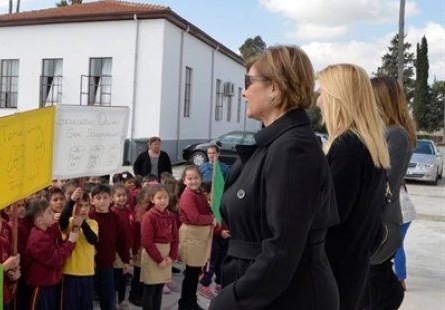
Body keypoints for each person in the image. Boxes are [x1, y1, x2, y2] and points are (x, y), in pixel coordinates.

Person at [210, 46, 339, 309]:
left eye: (249, 82)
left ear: (275, 88)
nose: (244, 92)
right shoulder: (278, 143)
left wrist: (234, 299)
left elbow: (283, 247)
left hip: (286, 297)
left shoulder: (293, 149)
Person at [317, 63, 391, 310]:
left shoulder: (347, 147)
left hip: (334, 277)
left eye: (323, 94)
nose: (318, 102)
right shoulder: (370, 146)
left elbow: (329, 217)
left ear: (339, 98)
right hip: (354, 273)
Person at [367, 75, 417, 308]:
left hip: (383, 224)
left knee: (373, 284)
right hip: (380, 222)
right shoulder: (385, 132)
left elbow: (385, 180)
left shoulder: (395, 134)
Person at [23, 199, 77, 309]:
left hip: (51, 283)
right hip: (40, 286)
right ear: (39, 221)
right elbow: (56, 258)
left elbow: (60, 245)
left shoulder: (49, 229)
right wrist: (70, 242)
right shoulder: (38, 238)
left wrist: (70, 235)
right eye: (49, 212)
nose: (53, 214)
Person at [89, 184, 131, 310]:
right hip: (91, 265)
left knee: (108, 298)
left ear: (111, 199)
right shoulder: (90, 217)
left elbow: (121, 241)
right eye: (98, 198)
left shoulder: (115, 218)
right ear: (92, 200)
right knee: (89, 299)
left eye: (105, 197)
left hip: (107, 265)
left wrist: (126, 260)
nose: (102, 201)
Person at [177, 166, 212, 310]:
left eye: (196, 178)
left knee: (195, 273)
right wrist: (212, 218)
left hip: (199, 236)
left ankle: (191, 300)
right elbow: (195, 217)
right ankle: (186, 304)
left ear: (200, 178)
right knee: (191, 274)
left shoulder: (198, 193)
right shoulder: (187, 196)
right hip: (192, 236)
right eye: (190, 178)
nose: (193, 181)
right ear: (184, 181)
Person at [140, 184, 178, 310]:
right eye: (159, 198)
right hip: (153, 255)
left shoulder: (171, 216)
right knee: (150, 288)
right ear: (152, 199)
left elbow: (175, 239)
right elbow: (147, 241)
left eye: (165, 197)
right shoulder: (149, 217)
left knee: (160, 287)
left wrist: (172, 256)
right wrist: (159, 259)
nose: (163, 201)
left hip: (166, 255)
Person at [59, 188, 98, 310]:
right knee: (70, 306)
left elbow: (93, 239)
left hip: (87, 272)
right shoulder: (70, 221)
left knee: (86, 306)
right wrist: (71, 201)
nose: (83, 209)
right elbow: (62, 222)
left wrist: (83, 224)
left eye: (87, 206)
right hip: (70, 272)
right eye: (80, 205)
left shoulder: (92, 223)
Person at [111, 184, 133, 310]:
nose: (121, 198)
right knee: (115, 276)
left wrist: (132, 248)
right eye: (118, 195)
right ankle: (113, 299)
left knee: (124, 275)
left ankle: (121, 299)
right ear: (112, 198)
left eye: (124, 195)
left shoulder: (129, 211)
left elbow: (131, 230)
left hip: (127, 248)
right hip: (116, 249)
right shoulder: (112, 212)